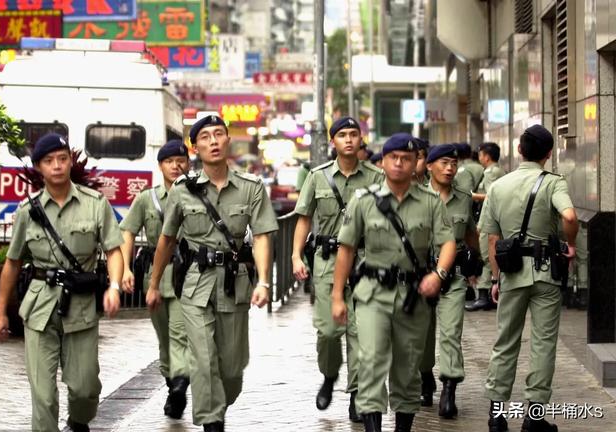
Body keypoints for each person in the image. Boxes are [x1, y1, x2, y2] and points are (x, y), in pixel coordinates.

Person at [146, 115, 278, 432]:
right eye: (205, 137)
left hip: (234, 284)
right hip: (195, 284)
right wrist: (153, 284)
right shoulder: (182, 190)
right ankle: (211, 422)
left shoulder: (251, 188)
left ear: (227, 140)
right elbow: (167, 239)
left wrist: (264, 280)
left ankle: (218, 404)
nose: (214, 141)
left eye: (219, 134)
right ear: (196, 147)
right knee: (203, 361)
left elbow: (261, 235)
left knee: (231, 370)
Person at [0, 133, 124, 432]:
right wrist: (1, 311)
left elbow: (114, 250)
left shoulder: (95, 204)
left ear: (70, 161)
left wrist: (114, 287)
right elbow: (12, 263)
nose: (57, 166)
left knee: (85, 388)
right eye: (49, 161)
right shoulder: (28, 212)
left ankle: (79, 421)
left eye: (62, 159)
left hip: (81, 306)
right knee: (42, 394)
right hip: (39, 307)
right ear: (39, 167)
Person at [331, 133, 456, 432]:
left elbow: (448, 242)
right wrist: (337, 296)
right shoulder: (363, 202)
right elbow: (346, 249)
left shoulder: (431, 203)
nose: (399, 163)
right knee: (371, 361)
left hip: (413, 296)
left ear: (416, 164)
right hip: (372, 293)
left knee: (407, 368)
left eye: (406, 159)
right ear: (383, 162)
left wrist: (437, 275)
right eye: (393, 158)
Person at [481, 125, 578, 432]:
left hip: (510, 274)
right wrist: (571, 243)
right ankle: (533, 420)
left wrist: (495, 279)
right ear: (549, 154)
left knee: (505, 343)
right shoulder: (553, 183)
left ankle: (497, 417)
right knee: (543, 345)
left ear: (519, 150)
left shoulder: (498, 186)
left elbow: (491, 238)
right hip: (546, 275)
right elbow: (570, 217)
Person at [292, 116, 383, 422]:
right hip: (327, 261)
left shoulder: (376, 177)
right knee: (329, 332)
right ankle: (330, 375)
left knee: (361, 332)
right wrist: (295, 257)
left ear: (361, 140)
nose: (347, 139)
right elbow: (303, 218)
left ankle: (357, 394)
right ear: (333, 142)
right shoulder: (317, 177)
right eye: (341, 135)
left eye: (353, 134)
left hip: (365, 260)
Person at [119, 139, 191, 418]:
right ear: (160, 166)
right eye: (169, 161)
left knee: (179, 335)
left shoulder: (197, 195)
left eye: (181, 160)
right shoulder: (147, 199)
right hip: (156, 277)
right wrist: (125, 267)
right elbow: (127, 232)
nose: (176, 166)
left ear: (188, 163)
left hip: (187, 276)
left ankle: (181, 382)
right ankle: (172, 382)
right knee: (164, 338)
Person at [418, 144, 479, 418]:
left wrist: (477, 265)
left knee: (451, 333)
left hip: (453, 278)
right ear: (429, 166)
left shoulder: (464, 197)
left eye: (454, 163)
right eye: (444, 163)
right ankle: (424, 377)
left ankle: (449, 388)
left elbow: (470, 234)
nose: (450, 168)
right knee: (421, 333)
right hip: (420, 277)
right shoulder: (414, 196)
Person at [467, 142, 506, 312]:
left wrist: (473, 196)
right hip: (488, 216)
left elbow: (491, 196)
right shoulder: (494, 171)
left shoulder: (492, 172)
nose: (479, 157)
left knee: (486, 254)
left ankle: (485, 295)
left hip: (489, 217)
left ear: (487, 156)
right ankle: (486, 294)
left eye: (481, 154)